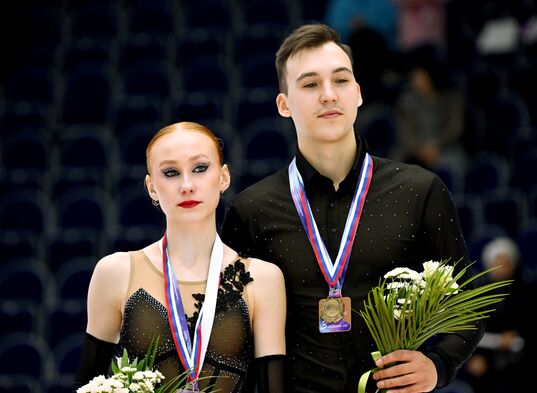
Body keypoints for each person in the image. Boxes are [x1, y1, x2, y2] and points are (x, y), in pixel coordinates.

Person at [221, 23, 484, 393]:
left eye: (341, 81)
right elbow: (234, 335)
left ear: (357, 93)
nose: (328, 95)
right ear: (284, 104)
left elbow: (467, 307)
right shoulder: (251, 211)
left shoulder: (420, 191)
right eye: (310, 84)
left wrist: (438, 365)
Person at [74, 122, 286, 393]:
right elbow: (86, 386)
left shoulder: (263, 279)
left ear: (223, 178)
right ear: (151, 187)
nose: (186, 185)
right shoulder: (114, 272)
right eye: (171, 172)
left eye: (200, 168)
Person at [461, 237, 537, 393]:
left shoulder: (528, 290)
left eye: (506, 262)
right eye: (497, 262)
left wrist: (517, 334)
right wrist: (476, 356)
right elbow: (470, 328)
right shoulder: (479, 292)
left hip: (523, 352)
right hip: (488, 354)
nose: (501, 267)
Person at [395, 47, 466, 170]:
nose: (414, 80)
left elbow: (454, 128)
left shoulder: (450, 99)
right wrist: (421, 150)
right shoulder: (407, 101)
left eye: (419, 76)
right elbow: (406, 132)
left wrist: (435, 146)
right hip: (415, 152)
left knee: (450, 163)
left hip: (444, 148)